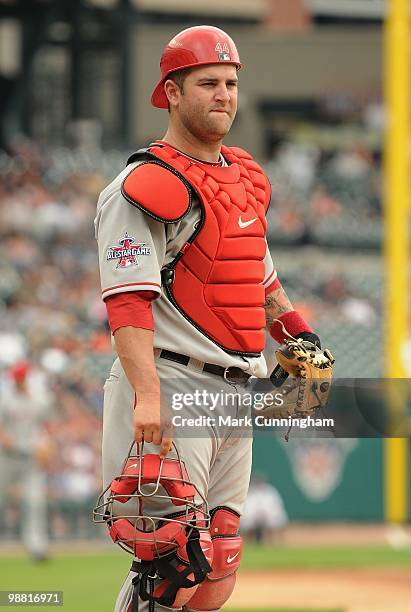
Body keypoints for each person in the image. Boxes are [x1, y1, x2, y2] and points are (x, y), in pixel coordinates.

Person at [95, 25, 321, 611]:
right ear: (171, 92)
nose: (223, 94)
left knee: (217, 568)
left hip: (235, 389)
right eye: (207, 83)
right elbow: (127, 299)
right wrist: (147, 394)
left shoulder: (244, 179)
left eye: (230, 82)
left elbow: (259, 277)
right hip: (172, 383)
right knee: (171, 561)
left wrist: (301, 340)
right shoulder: (142, 185)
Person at [0, 361, 54, 560]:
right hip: (6, 458)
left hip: (30, 457)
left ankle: (37, 547)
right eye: (17, 378)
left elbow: (47, 424)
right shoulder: (5, 399)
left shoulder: (38, 399)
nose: (19, 381)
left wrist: (47, 445)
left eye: (22, 377)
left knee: (34, 502)